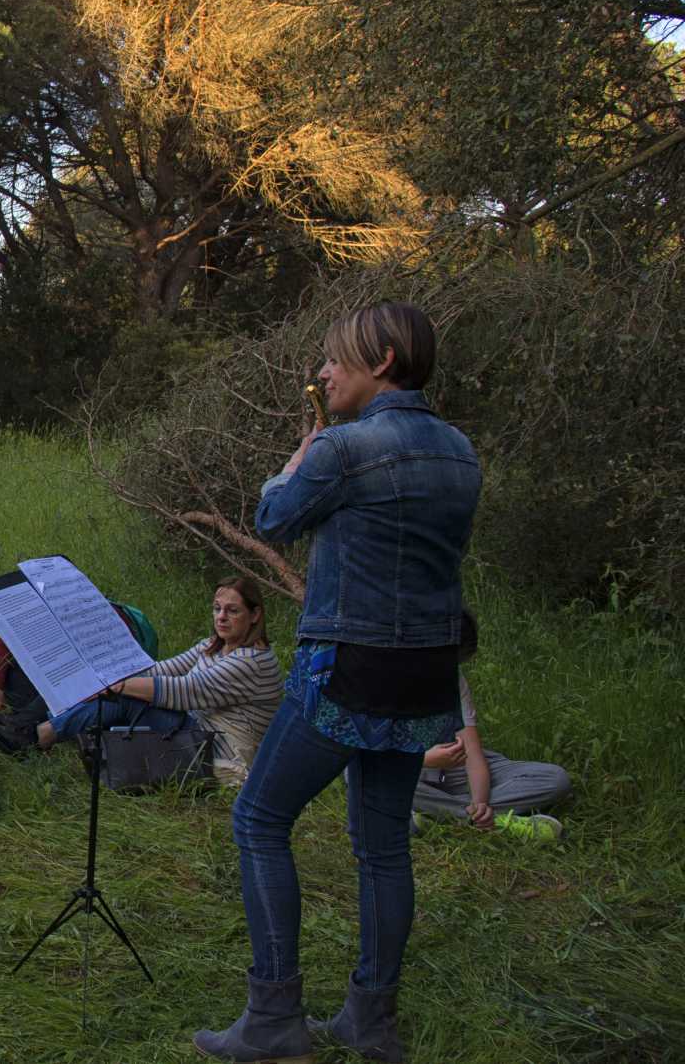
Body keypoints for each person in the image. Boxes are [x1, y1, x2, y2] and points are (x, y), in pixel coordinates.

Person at [196, 302, 481, 1064]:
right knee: (384, 847)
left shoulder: (347, 449)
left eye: (335, 359)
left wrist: (299, 455)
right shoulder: (460, 451)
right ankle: (369, 1020)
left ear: (382, 359)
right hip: (426, 673)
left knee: (259, 816)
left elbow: (273, 517)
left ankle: (273, 1018)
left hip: (348, 667)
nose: (322, 372)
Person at [5, 577, 283, 785]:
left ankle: (37, 735)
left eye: (232, 611)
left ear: (255, 614)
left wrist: (120, 686)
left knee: (126, 698)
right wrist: (111, 679)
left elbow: (185, 691)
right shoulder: (215, 644)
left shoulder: (251, 661)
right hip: (196, 727)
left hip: (220, 749)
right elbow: (165, 669)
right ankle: (34, 729)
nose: (221, 617)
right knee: (114, 692)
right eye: (217, 609)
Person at [412, 614, 569, 840]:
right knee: (363, 776)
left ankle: (441, 815)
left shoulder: (453, 680)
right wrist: (425, 759)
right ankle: (482, 819)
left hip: (451, 768)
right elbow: (368, 754)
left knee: (556, 779)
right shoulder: (384, 673)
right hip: (407, 770)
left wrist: (481, 803)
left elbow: (473, 755)